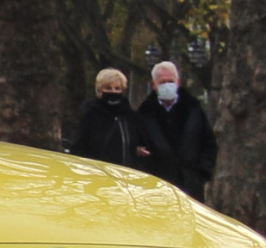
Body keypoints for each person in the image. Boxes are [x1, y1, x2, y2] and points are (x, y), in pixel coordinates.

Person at [135, 60, 218, 200]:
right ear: (154, 85)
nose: (167, 85)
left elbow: (209, 142)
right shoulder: (143, 115)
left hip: (190, 185)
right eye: (162, 82)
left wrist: (202, 172)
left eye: (170, 81)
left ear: (178, 83)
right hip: (156, 186)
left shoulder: (194, 110)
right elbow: (135, 145)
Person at [67, 68, 150, 168]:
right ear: (100, 90)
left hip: (125, 173)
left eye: (117, 88)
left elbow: (136, 143)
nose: (113, 92)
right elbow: (79, 147)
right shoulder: (89, 115)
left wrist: (136, 149)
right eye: (108, 88)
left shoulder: (129, 117)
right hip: (98, 173)